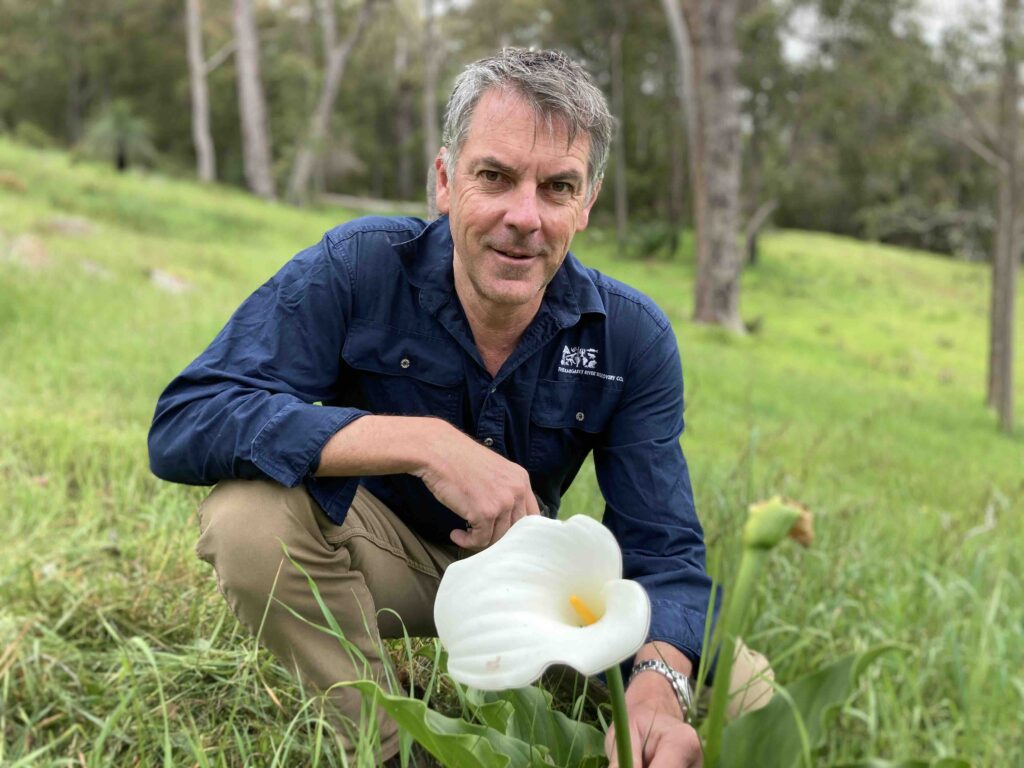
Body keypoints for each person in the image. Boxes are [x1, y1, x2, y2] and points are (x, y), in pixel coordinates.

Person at [149, 48, 771, 767]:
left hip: (539, 586)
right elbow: (189, 418)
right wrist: (424, 443)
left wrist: (658, 684)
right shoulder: (359, 266)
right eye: (495, 177)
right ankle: (391, 749)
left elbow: (664, 548)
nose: (524, 217)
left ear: (587, 204)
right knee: (248, 522)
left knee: (748, 693)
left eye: (558, 187)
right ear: (445, 180)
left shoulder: (630, 337)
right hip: (388, 558)